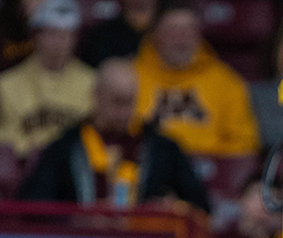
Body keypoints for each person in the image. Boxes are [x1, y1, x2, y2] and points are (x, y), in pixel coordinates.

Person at [18, 58, 210, 212]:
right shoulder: (65, 147)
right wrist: (78, 216)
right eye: (117, 102)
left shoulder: (163, 148)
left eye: (130, 102)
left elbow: (201, 206)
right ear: (96, 96)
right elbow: (34, 206)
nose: (125, 112)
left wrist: (172, 207)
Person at [133, 4, 261, 163]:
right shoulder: (130, 77)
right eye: (173, 31)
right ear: (155, 34)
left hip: (209, 179)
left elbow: (245, 144)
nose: (181, 39)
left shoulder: (226, 82)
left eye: (189, 30)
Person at [0, 0, 95, 160]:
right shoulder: (6, 85)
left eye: (66, 35)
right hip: (26, 170)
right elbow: (6, 142)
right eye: (52, 33)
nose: (60, 42)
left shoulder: (93, 83)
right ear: (37, 36)